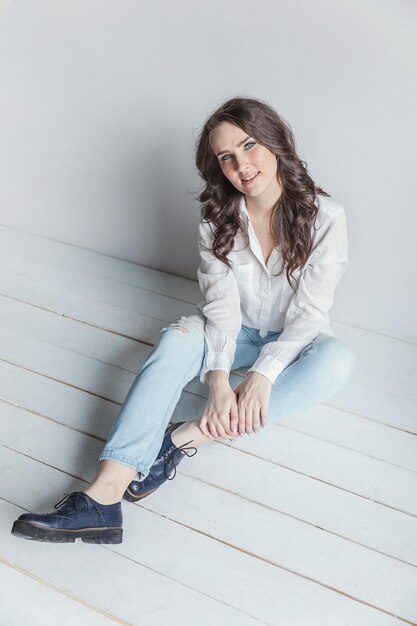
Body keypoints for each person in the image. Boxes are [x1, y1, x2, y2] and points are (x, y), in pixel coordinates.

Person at [11, 96, 356, 544]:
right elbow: (221, 309)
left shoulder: (326, 219)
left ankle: (179, 440)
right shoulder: (218, 218)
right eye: (226, 158)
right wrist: (218, 381)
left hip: (295, 338)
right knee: (175, 340)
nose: (242, 165)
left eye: (249, 145)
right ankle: (103, 498)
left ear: (275, 144)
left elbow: (309, 315)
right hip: (231, 330)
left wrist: (261, 377)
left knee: (338, 361)